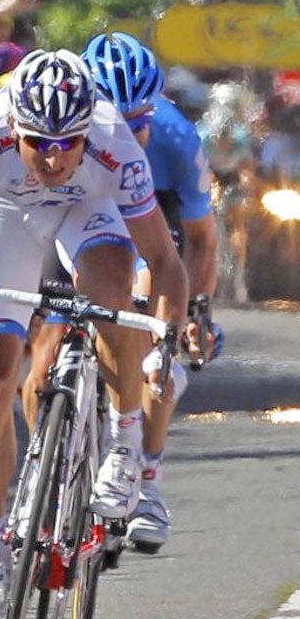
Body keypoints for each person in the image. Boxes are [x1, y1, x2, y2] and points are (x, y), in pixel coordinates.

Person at [0, 49, 186, 619]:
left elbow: (165, 262)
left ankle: (120, 440)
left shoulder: (115, 144)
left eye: (70, 141)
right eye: (40, 141)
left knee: (112, 286)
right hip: (6, 215)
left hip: (88, 213)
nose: (56, 155)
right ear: (14, 127)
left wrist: (162, 342)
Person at [77, 31, 221, 552]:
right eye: (115, 123)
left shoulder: (176, 138)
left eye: (138, 122)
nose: (127, 134)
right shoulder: (70, 127)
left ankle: (150, 477)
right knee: (49, 341)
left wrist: (190, 315)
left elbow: (201, 240)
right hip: (84, 204)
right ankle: (44, 483)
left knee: (149, 330)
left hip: (149, 210)